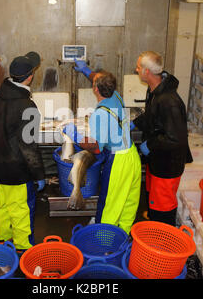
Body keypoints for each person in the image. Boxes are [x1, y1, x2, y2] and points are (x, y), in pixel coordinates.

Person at [63, 62, 141, 235]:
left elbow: (96, 148)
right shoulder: (117, 96)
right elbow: (98, 80)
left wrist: (75, 136)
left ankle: (103, 245)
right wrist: (86, 71)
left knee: (109, 206)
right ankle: (121, 240)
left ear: (95, 90)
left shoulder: (99, 115)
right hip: (132, 157)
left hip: (119, 163)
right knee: (128, 204)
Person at [0, 51, 46, 251]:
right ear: (30, 77)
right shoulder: (27, 106)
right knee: (21, 209)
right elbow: (28, 146)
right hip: (17, 170)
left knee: (3, 206)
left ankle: (3, 241)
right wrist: (39, 174)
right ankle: (23, 248)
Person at [131, 51, 193, 226]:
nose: (136, 70)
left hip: (167, 164)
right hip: (156, 159)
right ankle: (153, 218)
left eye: (138, 67)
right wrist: (135, 123)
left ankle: (162, 237)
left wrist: (149, 145)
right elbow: (151, 115)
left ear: (147, 72)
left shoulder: (169, 101)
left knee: (163, 205)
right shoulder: (154, 91)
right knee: (152, 196)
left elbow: (176, 139)